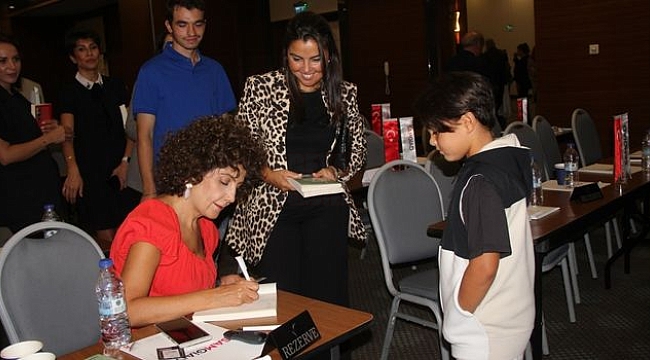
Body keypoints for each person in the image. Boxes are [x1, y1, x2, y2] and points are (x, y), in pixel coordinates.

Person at [227, 11, 367, 309]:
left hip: (325, 204)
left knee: (328, 298)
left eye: (315, 59)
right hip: (274, 205)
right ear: (286, 55)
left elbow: (355, 152)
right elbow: (240, 147)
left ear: (328, 55)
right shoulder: (261, 88)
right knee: (284, 300)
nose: (306, 69)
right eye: (296, 59)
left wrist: (336, 171)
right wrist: (268, 173)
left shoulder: (344, 93)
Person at [413, 71, 535, 360]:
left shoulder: (481, 181)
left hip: (484, 328)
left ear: (467, 121)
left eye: (437, 130)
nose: (432, 141)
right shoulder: (508, 158)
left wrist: (460, 314)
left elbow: (485, 266)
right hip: (508, 315)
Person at [110, 114, 266, 327]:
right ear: (194, 171)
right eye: (224, 182)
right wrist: (214, 297)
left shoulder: (206, 229)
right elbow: (127, 311)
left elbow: (180, 291)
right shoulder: (151, 224)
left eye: (237, 187)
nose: (231, 197)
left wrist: (220, 286)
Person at [132, 0, 236, 201]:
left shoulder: (215, 70)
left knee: (211, 234)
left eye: (198, 24)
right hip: (170, 181)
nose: (191, 32)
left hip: (212, 177)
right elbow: (144, 135)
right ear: (169, 26)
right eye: (182, 24)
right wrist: (149, 190)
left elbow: (226, 128)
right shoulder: (151, 72)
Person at [59, 29, 138, 244]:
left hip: (121, 170)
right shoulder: (69, 91)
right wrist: (72, 169)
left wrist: (125, 162)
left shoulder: (116, 86)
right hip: (90, 174)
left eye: (93, 48)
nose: (90, 54)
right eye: (82, 50)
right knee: (106, 238)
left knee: (129, 235)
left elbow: (131, 128)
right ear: (73, 57)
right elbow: (67, 134)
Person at [0, 34, 67, 233]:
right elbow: (5, 155)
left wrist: (49, 129)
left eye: (16, 59)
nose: (12, 66)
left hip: (39, 196)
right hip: (18, 200)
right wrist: (47, 139)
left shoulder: (15, 96)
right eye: (2, 61)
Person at [481, 38, 510, 129]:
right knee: (500, 104)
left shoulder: (485, 56)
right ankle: (502, 124)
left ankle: (494, 124)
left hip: (490, 83)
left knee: (492, 105)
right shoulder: (501, 54)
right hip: (500, 82)